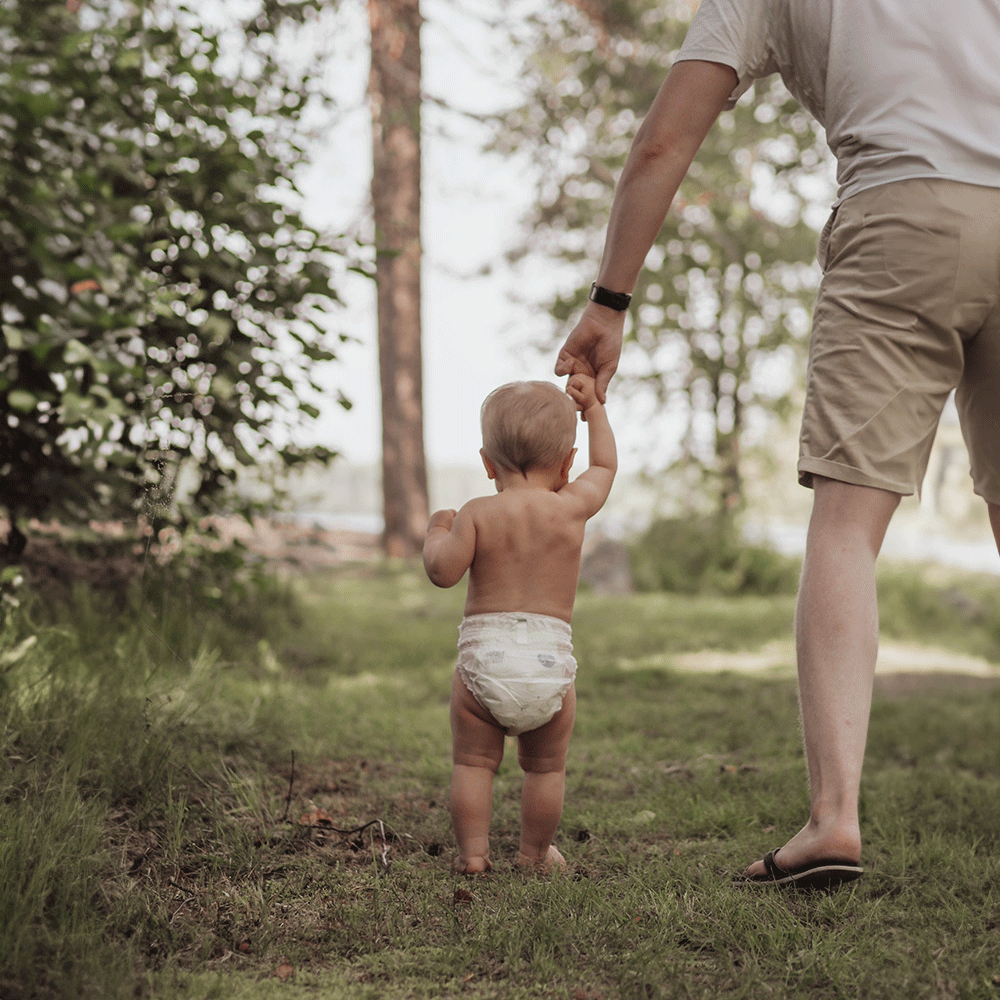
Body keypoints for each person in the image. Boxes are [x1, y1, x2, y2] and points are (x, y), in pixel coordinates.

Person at [556, 0, 1000, 888]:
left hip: (899, 219)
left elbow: (661, 143)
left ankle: (835, 818)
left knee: (846, 529)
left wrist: (609, 301)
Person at [423, 375, 617, 874]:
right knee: (546, 767)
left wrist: (437, 529)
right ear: (567, 463)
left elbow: (442, 572)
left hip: (486, 658)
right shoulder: (571, 507)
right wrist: (593, 409)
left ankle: (473, 855)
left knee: (473, 764)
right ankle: (534, 856)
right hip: (549, 662)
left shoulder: (477, 513)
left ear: (488, 463)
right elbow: (606, 465)